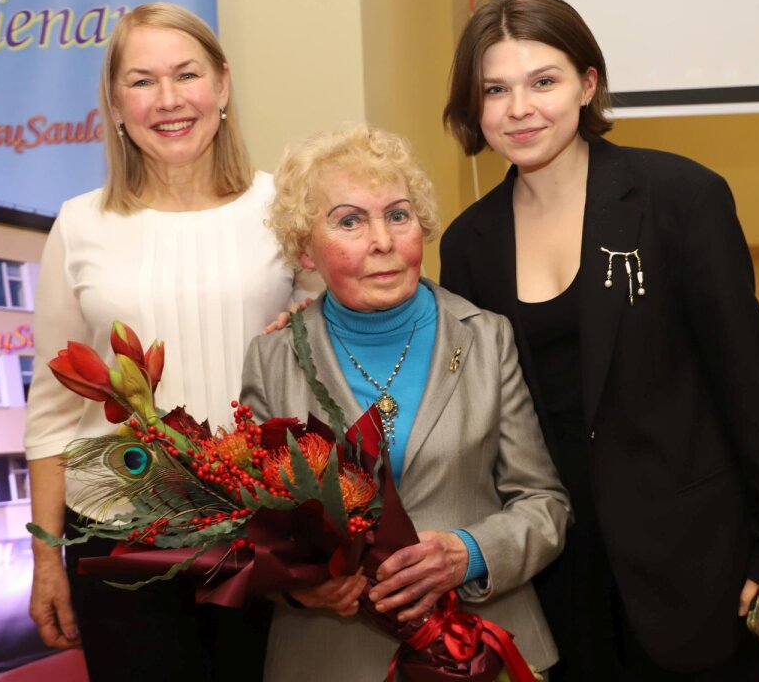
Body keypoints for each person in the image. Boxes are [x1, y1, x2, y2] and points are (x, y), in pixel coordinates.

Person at [439, 0, 759, 681]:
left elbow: (746, 388)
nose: (519, 108)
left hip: (694, 558)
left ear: (587, 85)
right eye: (495, 89)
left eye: (543, 81)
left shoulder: (680, 199)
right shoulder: (469, 243)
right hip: (557, 573)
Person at [24, 1, 319, 681]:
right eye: (142, 81)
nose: (168, 100)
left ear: (222, 83)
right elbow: (52, 410)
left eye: (186, 74)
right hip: (120, 542)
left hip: (267, 531)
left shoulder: (284, 210)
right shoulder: (79, 224)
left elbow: (332, 364)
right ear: (115, 104)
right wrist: (45, 557)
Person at [239, 124, 570, 680]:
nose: (383, 241)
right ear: (304, 250)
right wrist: (298, 589)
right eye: (349, 221)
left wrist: (470, 552)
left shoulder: (486, 338)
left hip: (481, 649)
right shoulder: (274, 358)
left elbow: (545, 503)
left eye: (398, 215)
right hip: (331, 657)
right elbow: (249, 527)